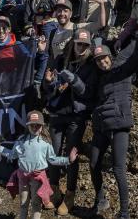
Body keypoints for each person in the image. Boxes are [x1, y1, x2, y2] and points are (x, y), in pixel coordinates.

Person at [89, 22, 138, 218]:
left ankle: (124, 213)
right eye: (98, 60)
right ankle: (100, 199)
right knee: (93, 165)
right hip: (101, 127)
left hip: (119, 126)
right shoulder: (99, 79)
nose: (102, 62)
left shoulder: (123, 71)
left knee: (118, 169)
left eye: (104, 58)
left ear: (110, 56)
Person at [41, 28, 97, 216]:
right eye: (78, 43)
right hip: (57, 114)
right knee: (54, 152)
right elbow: (47, 90)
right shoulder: (59, 60)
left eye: (85, 44)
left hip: (76, 116)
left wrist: (72, 78)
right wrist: (48, 83)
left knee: (72, 154)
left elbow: (87, 92)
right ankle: (55, 189)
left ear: (89, 46)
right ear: (73, 42)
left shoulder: (90, 65)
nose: (81, 47)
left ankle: (70, 194)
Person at [0, 110, 78, 219]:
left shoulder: (45, 143)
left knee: (36, 204)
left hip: (37, 179)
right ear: (28, 126)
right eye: (32, 125)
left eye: (38, 125)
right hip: (23, 177)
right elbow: (12, 155)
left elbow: (53, 159)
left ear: (42, 126)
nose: (35, 127)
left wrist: (68, 160)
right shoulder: (21, 141)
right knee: (23, 203)